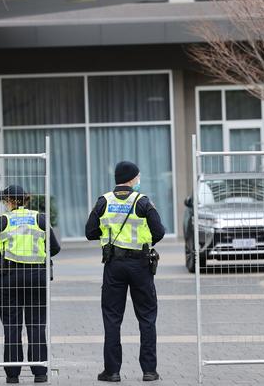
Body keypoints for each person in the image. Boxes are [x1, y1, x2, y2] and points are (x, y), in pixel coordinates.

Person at [85, 161, 166, 382]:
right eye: (138, 177)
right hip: (140, 265)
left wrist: (109, 235)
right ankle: (149, 370)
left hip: (114, 265)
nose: (139, 180)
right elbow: (159, 231)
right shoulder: (143, 202)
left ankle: (112, 371)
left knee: (112, 318)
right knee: (147, 318)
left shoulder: (104, 201)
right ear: (132, 178)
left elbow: (90, 232)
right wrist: (144, 241)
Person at [0, 185, 61, 384]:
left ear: (10, 201)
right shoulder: (40, 219)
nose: (4, 204)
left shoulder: (2, 221)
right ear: (25, 200)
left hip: (9, 277)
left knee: (11, 326)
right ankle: (40, 372)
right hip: (37, 277)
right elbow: (55, 247)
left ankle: (12, 374)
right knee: (36, 324)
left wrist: (2, 261)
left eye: (5, 201)